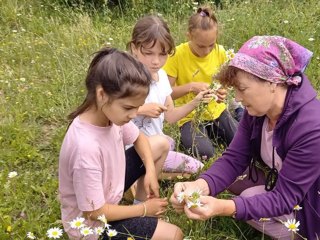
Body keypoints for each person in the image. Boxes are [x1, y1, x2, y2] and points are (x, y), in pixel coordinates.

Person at [169, 36, 320, 239]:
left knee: (243, 203)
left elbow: (284, 198)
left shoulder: (311, 127)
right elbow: (234, 158)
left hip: (313, 202)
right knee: (246, 197)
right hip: (293, 191)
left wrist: (223, 207)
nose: (238, 98)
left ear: (272, 82)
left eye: (242, 88)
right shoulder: (256, 112)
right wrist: (199, 186)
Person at [58, 48, 183, 240]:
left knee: (160, 143)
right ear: (102, 94)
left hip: (108, 193)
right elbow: (94, 213)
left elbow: (139, 138)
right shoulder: (85, 148)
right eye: (128, 108)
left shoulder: (110, 116)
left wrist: (150, 171)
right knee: (174, 235)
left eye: (137, 107)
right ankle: (138, 211)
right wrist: (144, 210)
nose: (134, 114)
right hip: (93, 227)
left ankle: (136, 204)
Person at [128, 15, 215, 174]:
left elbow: (171, 116)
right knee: (198, 168)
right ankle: (141, 174)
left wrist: (196, 102)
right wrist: (140, 110)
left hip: (156, 140)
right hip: (133, 149)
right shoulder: (126, 78)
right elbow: (108, 115)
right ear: (134, 48)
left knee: (169, 142)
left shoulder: (161, 76)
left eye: (162, 54)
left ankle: (156, 166)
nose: (156, 61)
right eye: (148, 53)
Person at [163, 5, 239, 160]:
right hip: (190, 116)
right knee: (206, 154)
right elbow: (166, 93)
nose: (206, 51)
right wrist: (191, 87)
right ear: (189, 35)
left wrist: (222, 92)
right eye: (201, 46)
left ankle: (233, 117)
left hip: (216, 110)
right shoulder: (176, 55)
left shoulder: (220, 52)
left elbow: (225, 83)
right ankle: (191, 138)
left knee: (240, 143)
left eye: (211, 45)